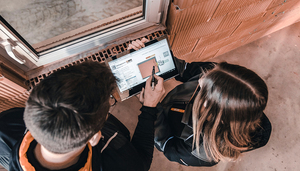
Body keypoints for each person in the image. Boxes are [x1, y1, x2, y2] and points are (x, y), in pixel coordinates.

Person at [128, 38, 272, 167]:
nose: (201, 78)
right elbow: (185, 69)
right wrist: (152, 53)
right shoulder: (217, 74)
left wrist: (151, 108)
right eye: (211, 72)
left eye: (203, 89)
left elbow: (167, 144)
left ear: (211, 111)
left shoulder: (199, 152)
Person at [0, 61, 165, 171]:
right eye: (109, 101)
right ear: (95, 136)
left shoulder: (6, 124)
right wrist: (149, 108)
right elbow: (142, 160)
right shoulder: (122, 164)